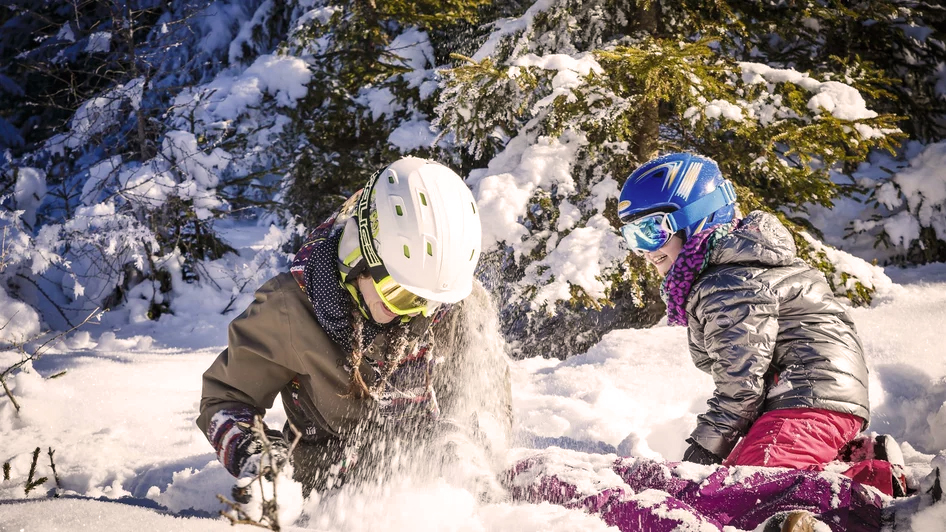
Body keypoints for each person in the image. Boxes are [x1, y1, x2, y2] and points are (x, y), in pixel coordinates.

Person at [615, 152, 908, 523]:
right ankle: (864, 466)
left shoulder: (729, 281)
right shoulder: (734, 268)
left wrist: (703, 452)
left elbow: (740, 388)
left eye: (651, 231)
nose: (644, 250)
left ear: (696, 219)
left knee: (743, 496)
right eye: (632, 236)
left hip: (807, 399)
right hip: (808, 397)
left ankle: (860, 511)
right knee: (734, 481)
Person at [196, 156, 511, 500]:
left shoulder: (455, 304)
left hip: (442, 482)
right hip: (330, 493)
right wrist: (257, 455)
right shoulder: (291, 308)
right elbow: (225, 397)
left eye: (424, 302)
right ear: (357, 254)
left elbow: (491, 406)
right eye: (395, 291)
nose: (401, 314)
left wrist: (470, 448)